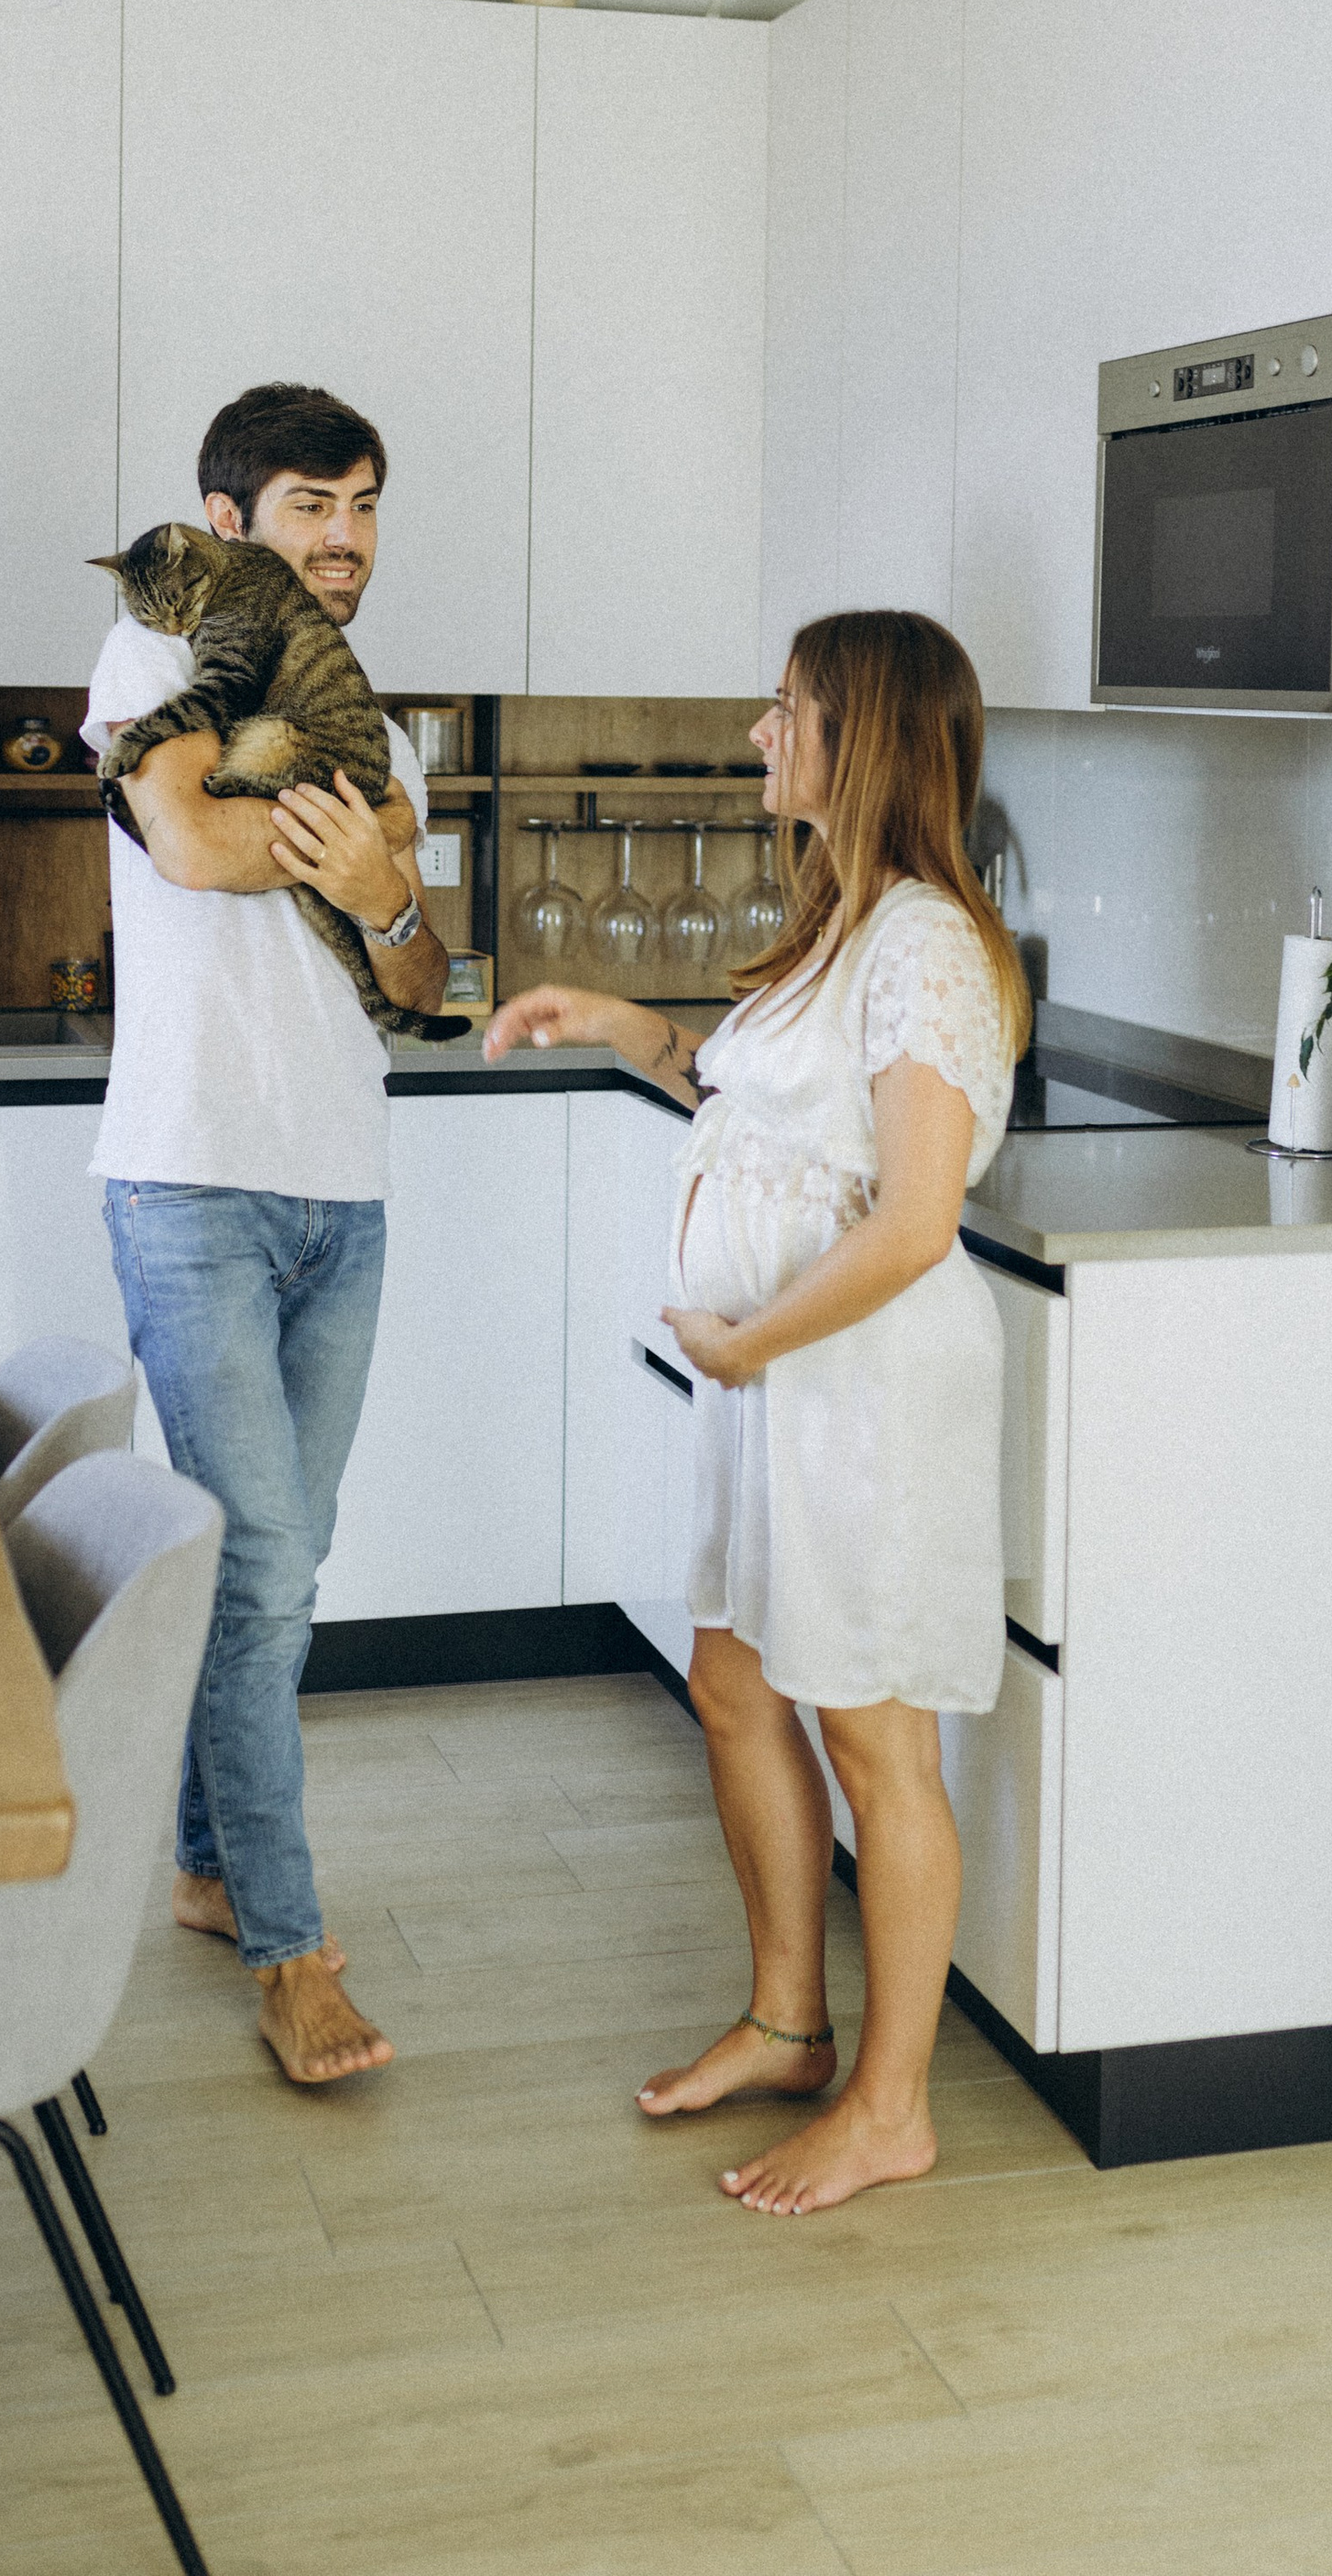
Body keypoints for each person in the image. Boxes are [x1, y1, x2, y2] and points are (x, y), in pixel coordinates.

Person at [486, 608, 1030, 2214]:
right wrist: (614, 1023)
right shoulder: (837, 919)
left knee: (877, 1741)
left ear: (856, 736)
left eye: (784, 710)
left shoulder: (927, 936)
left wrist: (749, 1347)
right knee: (736, 1682)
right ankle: (792, 2023)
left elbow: (915, 1217)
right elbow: (764, 1117)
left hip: (857, 1387)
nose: (756, 734)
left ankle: (891, 2106)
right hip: (781, 1380)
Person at [84, 382, 451, 2087]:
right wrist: (348, 858)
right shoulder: (145, 660)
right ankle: (295, 1955)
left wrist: (384, 892)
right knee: (264, 1572)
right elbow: (190, 838)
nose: (348, 537)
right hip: (192, 1184)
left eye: (366, 505)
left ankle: (207, 1865)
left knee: (275, 1574)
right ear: (227, 521)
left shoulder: (389, 730)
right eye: (313, 504)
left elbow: (420, 972)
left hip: (344, 1195)